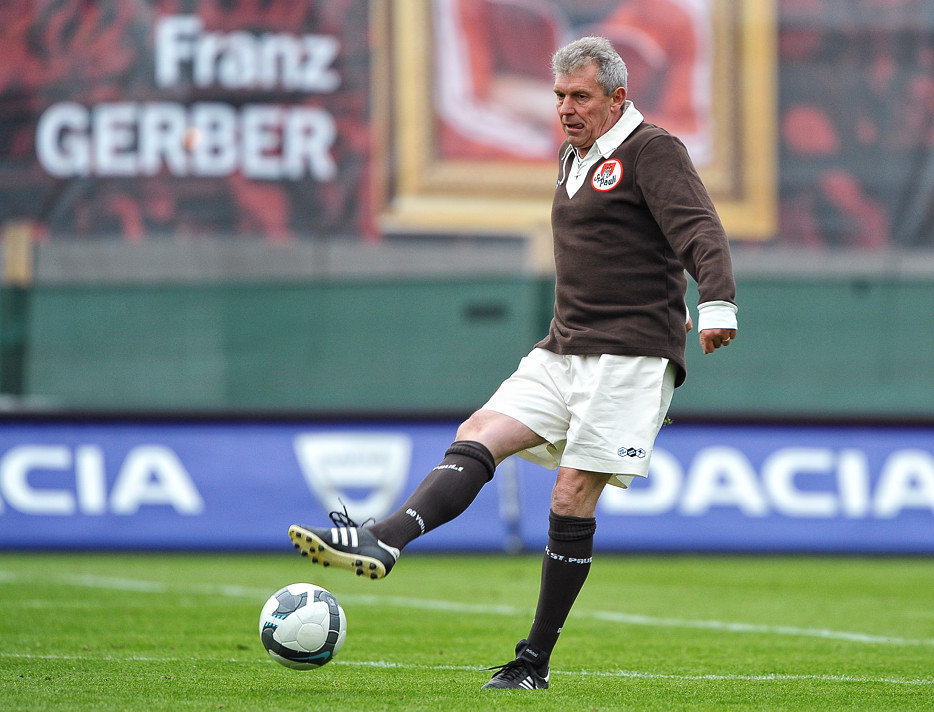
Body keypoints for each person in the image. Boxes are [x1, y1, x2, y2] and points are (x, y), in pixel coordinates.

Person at [289, 35, 738, 690]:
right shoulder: (573, 155)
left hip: (629, 356)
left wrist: (717, 303)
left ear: (618, 98)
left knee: (571, 492)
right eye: (559, 96)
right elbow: (628, 248)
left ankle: (533, 662)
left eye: (580, 96)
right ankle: (383, 539)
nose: (565, 109)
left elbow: (698, 228)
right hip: (564, 345)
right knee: (479, 432)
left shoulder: (652, 149)